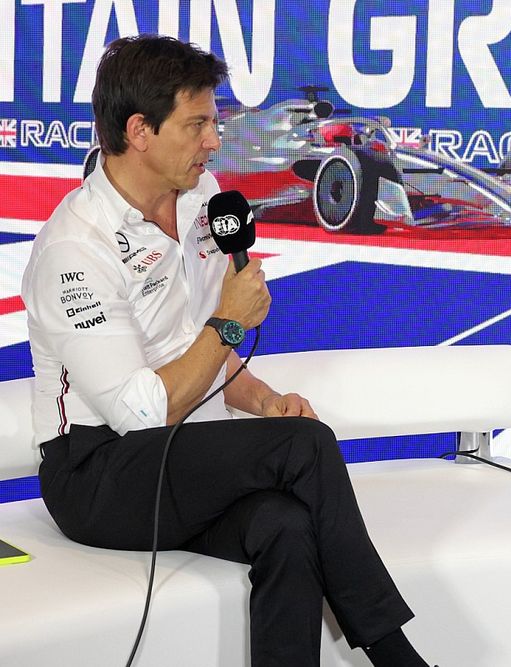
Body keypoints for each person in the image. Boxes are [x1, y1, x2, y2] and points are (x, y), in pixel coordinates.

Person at [21, 35, 431, 667]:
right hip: (97, 474)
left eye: (214, 121)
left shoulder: (205, 198)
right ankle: (396, 655)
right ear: (140, 131)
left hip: (177, 454)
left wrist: (263, 399)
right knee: (306, 446)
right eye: (198, 124)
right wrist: (228, 321)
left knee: (287, 528)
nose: (215, 139)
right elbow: (138, 413)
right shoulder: (74, 248)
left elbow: (204, 345)